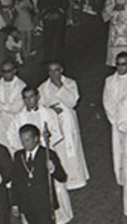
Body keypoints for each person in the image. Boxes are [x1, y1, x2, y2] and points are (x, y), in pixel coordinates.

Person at [10, 124, 67, 224]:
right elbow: (15, 182)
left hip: (44, 203)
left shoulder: (47, 154)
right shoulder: (18, 156)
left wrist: (53, 169)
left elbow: (62, 177)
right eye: (22, 140)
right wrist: (15, 203)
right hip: (27, 204)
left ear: (36, 139)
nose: (25, 144)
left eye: (28, 140)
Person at [37, 62, 89, 190]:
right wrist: (52, 111)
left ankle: (77, 179)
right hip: (55, 123)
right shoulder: (43, 88)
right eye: (51, 71)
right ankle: (63, 179)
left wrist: (60, 86)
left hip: (69, 121)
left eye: (56, 70)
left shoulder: (70, 83)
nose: (54, 74)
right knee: (60, 149)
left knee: (73, 148)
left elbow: (72, 101)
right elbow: (41, 108)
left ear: (61, 70)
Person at [102, 54, 127, 219]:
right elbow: (107, 102)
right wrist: (116, 120)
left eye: (124, 64)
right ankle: (122, 179)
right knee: (120, 154)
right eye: (118, 65)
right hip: (118, 122)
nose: (121, 68)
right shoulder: (109, 81)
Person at [0, 62, 26, 153]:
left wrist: (2, 107)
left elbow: (17, 107)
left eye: (9, 71)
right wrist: (9, 106)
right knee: (1, 147)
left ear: (14, 71)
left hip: (16, 120)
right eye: (4, 71)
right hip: (1, 122)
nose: (6, 74)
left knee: (16, 147)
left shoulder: (22, 86)